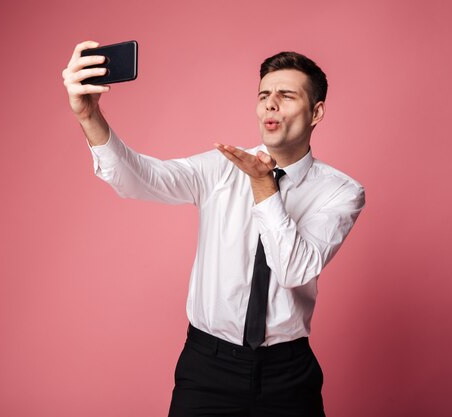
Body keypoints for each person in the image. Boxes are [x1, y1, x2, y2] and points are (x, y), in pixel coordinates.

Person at [62, 40, 365, 417]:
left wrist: (262, 184)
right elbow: (138, 178)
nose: (270, 104)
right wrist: (89, 116)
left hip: (288, 374)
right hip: (208, 366)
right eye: (263, 95)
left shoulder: (341, 192)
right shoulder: (220, 168)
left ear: (316, 112)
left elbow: (293, 269)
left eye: (286, 95)